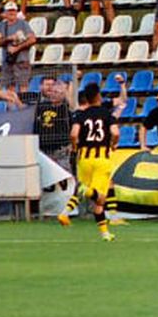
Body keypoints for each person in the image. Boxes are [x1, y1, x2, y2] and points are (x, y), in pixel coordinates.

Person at [59, 83, 118, 241]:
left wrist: (75, 146)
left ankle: (105, 234)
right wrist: (113, 144)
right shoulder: (107, 114)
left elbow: (74, 134)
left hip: (84, 158)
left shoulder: (81, 115)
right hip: (102, 158)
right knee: (100, 199)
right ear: (98, 96)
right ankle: (87, 192)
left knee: (83, 190)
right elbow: (115, 132)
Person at [0, 2, 36, 92]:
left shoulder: (23, 24)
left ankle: (23, 105)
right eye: (9, 11)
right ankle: (12, 106)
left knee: (23, 86)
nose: (11, 13)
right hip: (8, 61)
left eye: (13, 10)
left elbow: (32, 39)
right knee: (9, 87)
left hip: (22, 60)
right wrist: (9, 38)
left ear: (17, 12)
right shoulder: (1, 25)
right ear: (5, 13)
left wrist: (17, 48)